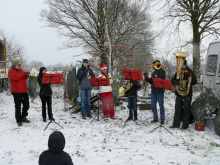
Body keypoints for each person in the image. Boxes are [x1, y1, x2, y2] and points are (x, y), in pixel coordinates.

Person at [170, 59, 197, 130]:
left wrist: (191, 76)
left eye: (181, 64)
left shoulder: (190, 71)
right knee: (177, 109)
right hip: (179, 94)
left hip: (187, 95)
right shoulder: (178, 72)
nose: (179, 66)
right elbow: (172, 81)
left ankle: (185, 125)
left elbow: (194, 82)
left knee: (186, 110)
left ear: (184, 65)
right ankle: (175, 124)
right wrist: (177, 82)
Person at [8, 59, 30, 126]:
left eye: (20, 64)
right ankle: (19, 120)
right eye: (18, 64)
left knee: (26, 105)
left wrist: (27, 74)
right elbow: (16, 77)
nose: (19, 65)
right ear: (14, 65)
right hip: (16, 92)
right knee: (18, 106)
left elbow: (24, 78)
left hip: (24, 91)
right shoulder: (11, 71)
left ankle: (23, 117)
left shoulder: (21, 71)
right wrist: (23, 72)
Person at [144, 60, 166, 125]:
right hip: (153, 92)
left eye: (153, 65)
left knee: (161, 106)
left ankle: (162, 119)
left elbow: (162, 79)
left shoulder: (162, 71)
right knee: (153, 106)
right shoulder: (153, 73)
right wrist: (146, 77)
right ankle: (155, 118)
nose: (152, 66)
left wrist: (158, 71)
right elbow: (151, 81)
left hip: (160, 92)